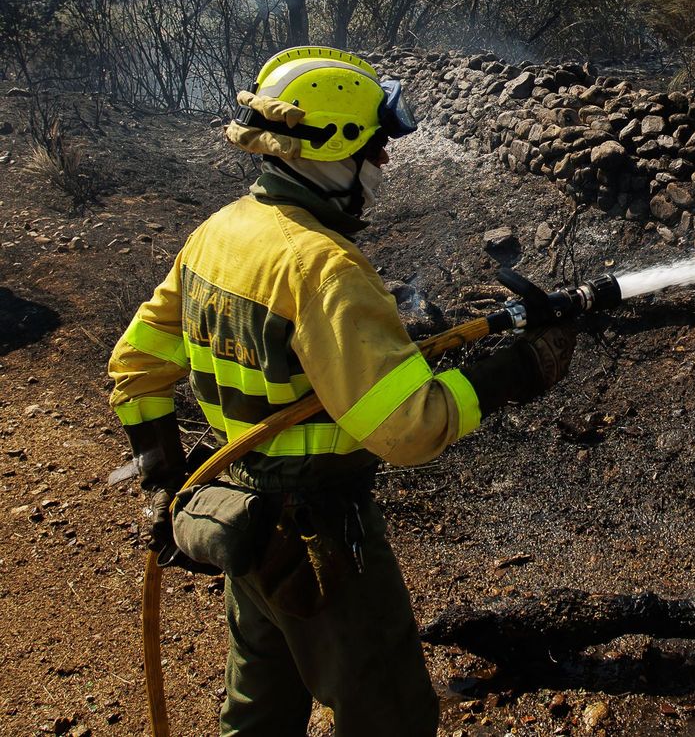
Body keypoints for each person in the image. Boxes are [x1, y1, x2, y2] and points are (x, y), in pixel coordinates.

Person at [106, 46, 573, 735]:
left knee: (258, 716)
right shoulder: (323, 268)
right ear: (329, 148)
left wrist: (165, 480)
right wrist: (520, 371)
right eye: (373, 147)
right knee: (390, 715)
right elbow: (410, 426)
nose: (383, 161)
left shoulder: (220, 233)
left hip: (242, 525)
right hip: (324, 540)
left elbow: (135, 365)